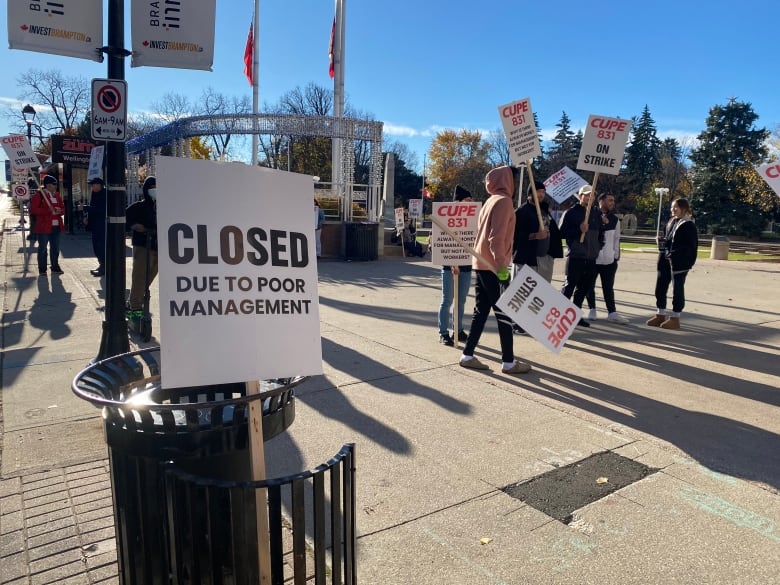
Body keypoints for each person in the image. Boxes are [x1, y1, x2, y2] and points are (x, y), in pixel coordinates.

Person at [460, 166, 531, 374]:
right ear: (507, 180)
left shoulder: (490, 201)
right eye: (514, 179)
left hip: (482, 264)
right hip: (493, 266)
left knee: (481, 311)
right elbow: (496, 239)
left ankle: (467, 355)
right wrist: (502, 269)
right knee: (504, 313)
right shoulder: (504, 202)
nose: (515, 184)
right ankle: (508, 362)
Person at [647, 198, 698, 330]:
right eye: (672, 207)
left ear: (684, 208)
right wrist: (662, 241)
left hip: (679, 263)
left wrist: (675, 253)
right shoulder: (672, 221)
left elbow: (689, 247)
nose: (672, 210)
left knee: (677, 289)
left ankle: (675, 317)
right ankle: (660, 313)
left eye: (675, 207)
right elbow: (669, 239)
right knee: (660, 287)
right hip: (665, 259)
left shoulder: (688, 225)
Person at [559, 185, 604, 328]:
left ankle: (575, 316)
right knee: (569, 286)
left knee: (584, 288)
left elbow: (600, 233)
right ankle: (560, 316)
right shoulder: (571, 213)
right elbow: (562, 233)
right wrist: (578, 229)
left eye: (592, 196)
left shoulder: (596, 213)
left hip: (591, 257)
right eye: (586, 195)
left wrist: (598, 246)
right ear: (580, 196)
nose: (590, 198)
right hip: (576, 256)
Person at [585, 193, 629, 324]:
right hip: (593, 258)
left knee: (608, 286)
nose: (612, 203)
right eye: (610, 200)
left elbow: (616, 239)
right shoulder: (591, 215)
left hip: (609, 260)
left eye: (613, 200)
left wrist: (615, 256)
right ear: (601, 201)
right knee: (589, 285)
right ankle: (592, 309)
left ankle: (612, 312)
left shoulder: (614, 219)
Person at [438, 185, 473, 346]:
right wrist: (452, 262)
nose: (470, 203)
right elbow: (442, 242)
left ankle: (457, 330)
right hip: (449, 267)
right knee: (447, 301)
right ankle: (443, 333)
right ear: (458, 201)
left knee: (461, 301)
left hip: (466, 265)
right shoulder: (446, 217)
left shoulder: (472, 219)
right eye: (467, 200)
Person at [125, 176, 158, 325]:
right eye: (152, 187)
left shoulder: (163, 207)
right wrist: (136, 227)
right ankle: (136, 308)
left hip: (158, 246)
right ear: (146, 189)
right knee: (139, 277)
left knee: (148, 277)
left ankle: (132, 301)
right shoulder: (138, 207)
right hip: (143, 245)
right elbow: (125, 218)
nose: (154, 190)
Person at [30, 175, 65, 276]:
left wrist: (60, 210)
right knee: (42, 249)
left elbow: (63, 208)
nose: (56, 186)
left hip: (56, 226)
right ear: (48, 185)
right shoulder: (39, 195)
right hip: (44, 227)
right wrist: (47, 210)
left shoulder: (57, 195)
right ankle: (42, 269)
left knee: (55, 248)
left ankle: (55, 267)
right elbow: (33, 210)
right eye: (54, 184)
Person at [87, 177, 107, 276]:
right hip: (95, 225)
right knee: (96, 246)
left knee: (101, 246)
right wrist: (87, 218)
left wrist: (87, 208)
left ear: (99, 185)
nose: (92, 187)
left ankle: (104, 266)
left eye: (93, 184)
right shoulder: (94, 194)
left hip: (102, 225)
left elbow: (100, 209)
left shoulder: (104, 194)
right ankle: (101, 264)